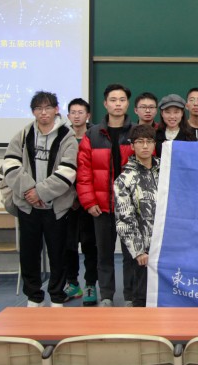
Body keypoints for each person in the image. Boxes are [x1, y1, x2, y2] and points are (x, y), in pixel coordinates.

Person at [3, 91, 77, 307]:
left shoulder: (67, 137)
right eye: (38, 109)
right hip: (28, 207)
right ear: (33, 111)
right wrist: (30, 191)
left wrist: (41, 192)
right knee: (29, 255)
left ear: (56, 109)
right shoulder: (23, 134)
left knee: (58, 255)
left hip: (57, 208)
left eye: (48, 108)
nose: (43, 112)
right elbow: (10, 164)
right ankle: (34, 297)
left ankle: (57, 297)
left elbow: (68, 171)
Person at [77, 83, 135, 307]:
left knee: (131, 254)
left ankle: (130, 297)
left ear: (127, 104)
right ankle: (107, 296)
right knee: (104, 255)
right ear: (105, 104)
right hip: (101, 206)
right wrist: (89, 201)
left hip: (130, 207)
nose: (117, 104)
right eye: (113, 100)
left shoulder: (136, 133)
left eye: (122, 100)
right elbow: (84, 172)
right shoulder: (92, 135)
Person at [113, 124, 160, 307]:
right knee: (141, 297)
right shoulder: (124, 179)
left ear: (154, 144)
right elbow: (125, 219)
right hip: (143, 251)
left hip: (165, 247)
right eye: (140, 142)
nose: (145, 146)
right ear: (132, 146)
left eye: (149, 141)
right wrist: (139, 250)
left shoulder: (166, 170)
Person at [63, 98, 98, 306]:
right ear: (68, 116)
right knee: (68, 245)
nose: (77, 116)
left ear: (88, 115)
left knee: (90, 245)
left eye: (81, 112)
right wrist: (71, 195)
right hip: (66, 201)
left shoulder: (95, 136)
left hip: (89, 200)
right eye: (73, 112)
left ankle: (91, 284)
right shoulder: (62, 137)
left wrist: (83, 196)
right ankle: (72, 283)